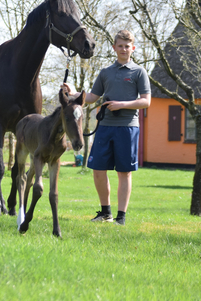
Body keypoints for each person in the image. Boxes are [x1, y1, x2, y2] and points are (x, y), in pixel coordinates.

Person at [63, 30, 151, 225]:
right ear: (114, 48)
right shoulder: (105, 73)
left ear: (132, 48)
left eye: (127, 46)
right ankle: (105, 213)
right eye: (120, 45)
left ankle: (121, 217)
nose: (123, 49)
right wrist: (73, 93)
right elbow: (92, 97)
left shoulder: (139, 72)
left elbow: (146, 101)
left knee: (124, 172)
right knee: (97, 169)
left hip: (128, 128)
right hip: (105, 126)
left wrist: (122, 105)